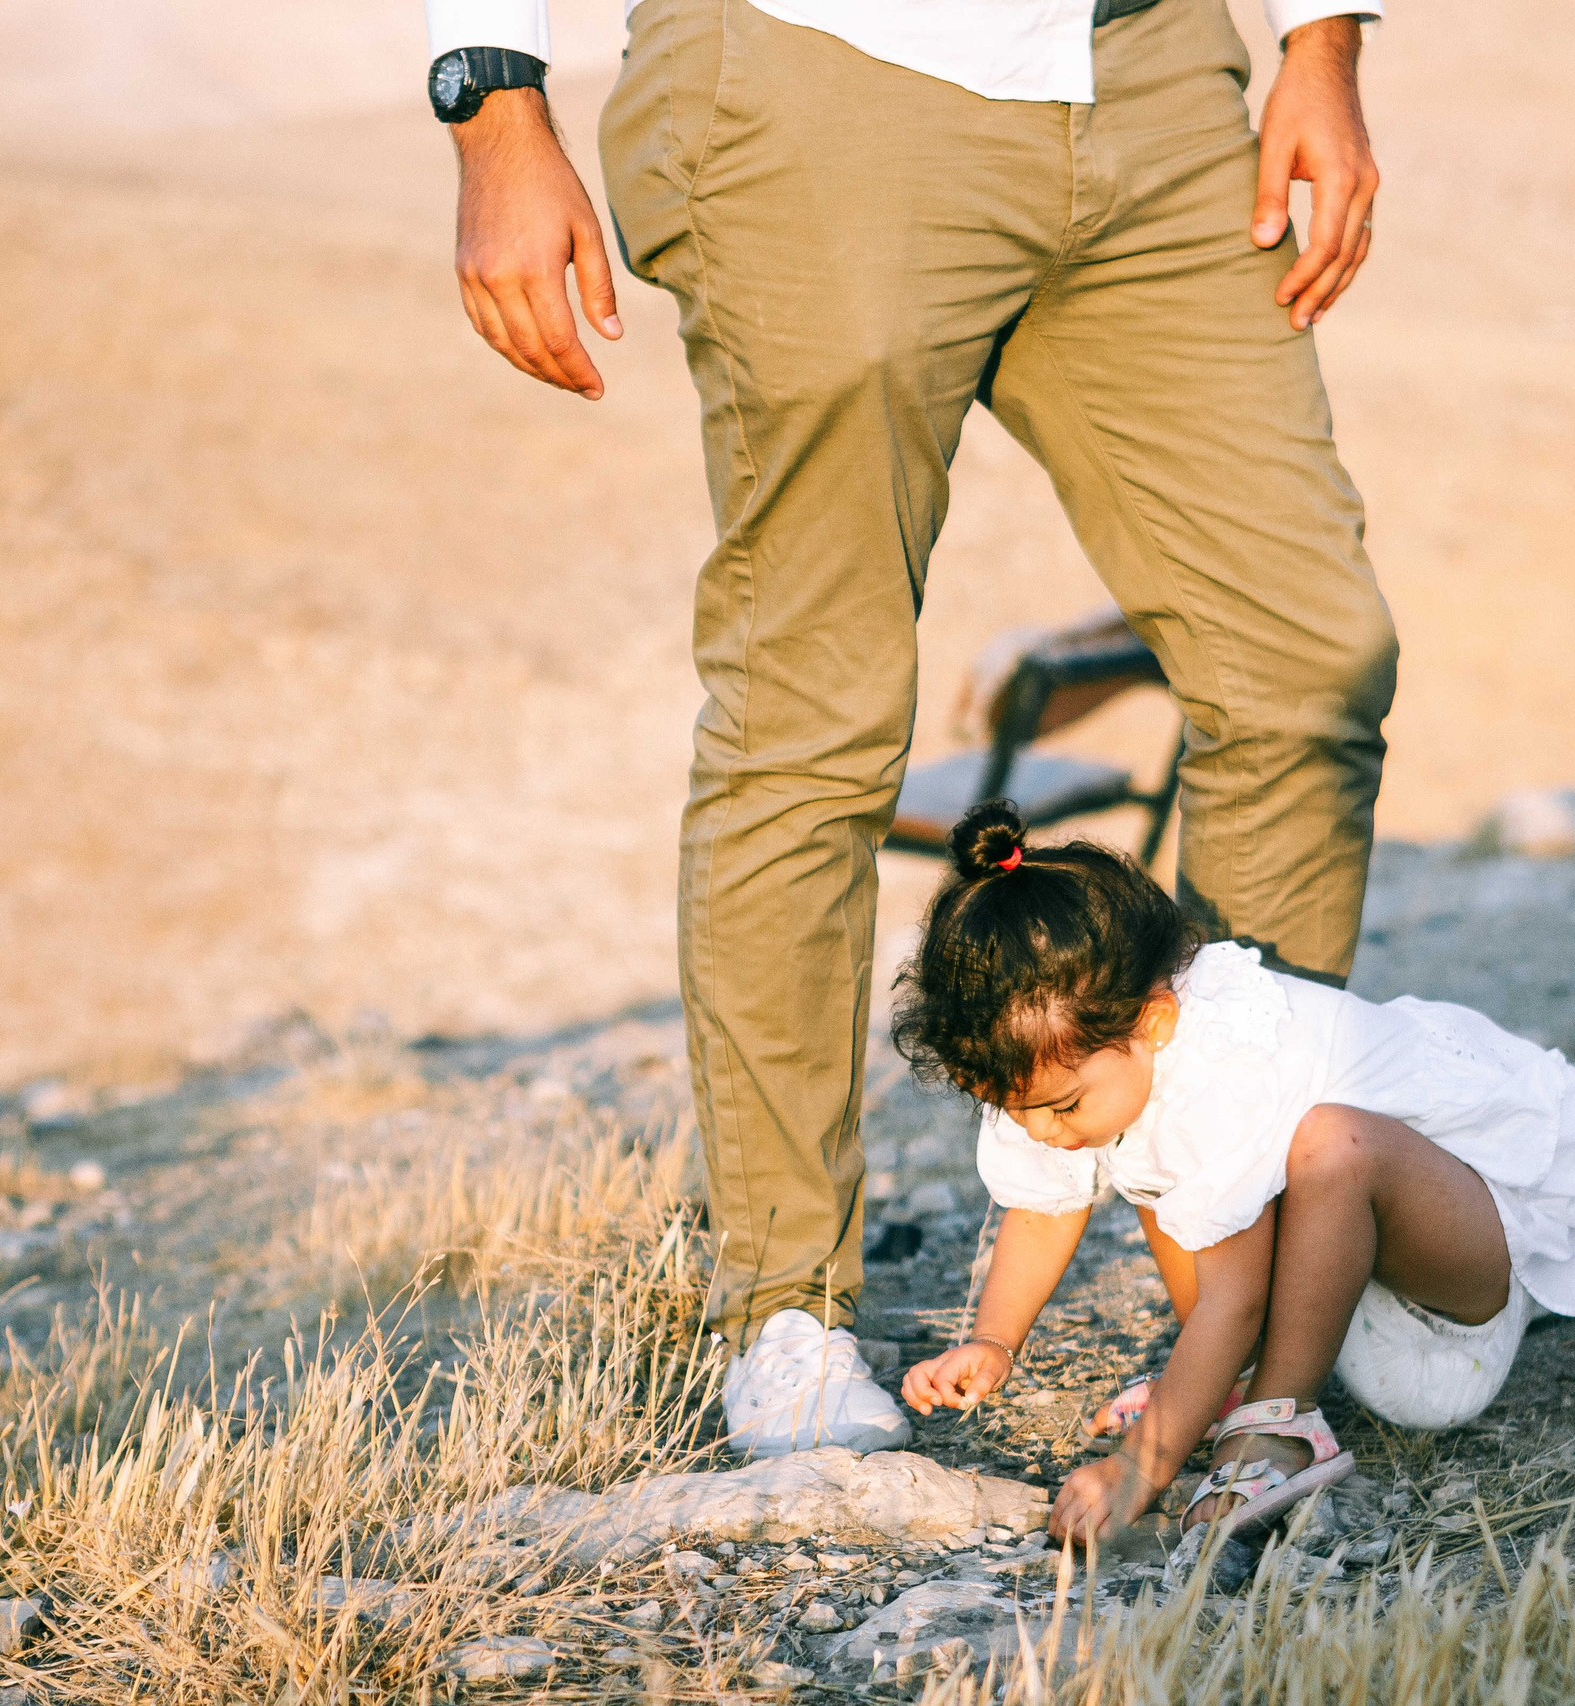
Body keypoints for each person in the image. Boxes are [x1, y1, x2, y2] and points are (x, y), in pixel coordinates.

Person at [421, 0, 1403, 1449]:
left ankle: (1252, 1248)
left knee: (1308, 657)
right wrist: (495, 96)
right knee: (811, 719)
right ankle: (787, 1309)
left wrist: (1323, 34)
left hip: (1153, 72)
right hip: (824, 73)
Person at [891, 803, 1575, 1543]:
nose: (1040, 1131)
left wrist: (1144, 1465)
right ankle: (1234, 1387)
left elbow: (1237, 1297)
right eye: (1015, 1109)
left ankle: (1278, 1424)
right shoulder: (1087, 1067)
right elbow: (1043, 1208)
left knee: (1330, 1141)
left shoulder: (1225, 1060)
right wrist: (995, 1338)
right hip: (1331, 1296)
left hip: (1445, 1321)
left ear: (1155, 1019)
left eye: (1059, 1105)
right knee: (1148, 1156)